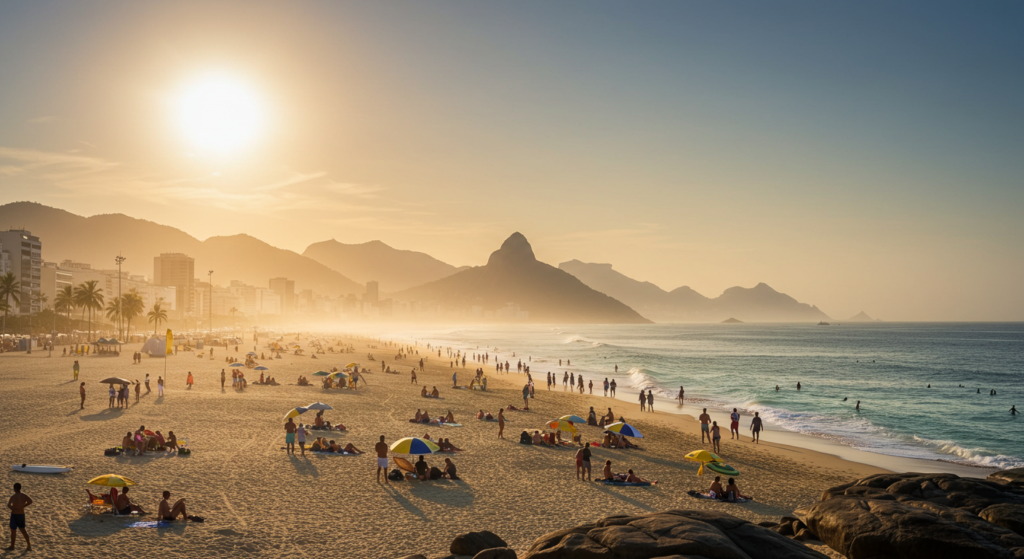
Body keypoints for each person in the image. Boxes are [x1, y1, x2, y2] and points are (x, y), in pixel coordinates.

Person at [7, 483, 32, 552]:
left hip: (14, 515)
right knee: (23, 530)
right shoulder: (24, 496)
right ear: (20, 488)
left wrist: (12, 508)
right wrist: (23, 506)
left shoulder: (13, 496)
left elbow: (8, 505)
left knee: (13, 531)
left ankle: (12, 546)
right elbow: (30, 501)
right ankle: (29, 545)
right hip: (21, 514)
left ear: (14, 489)